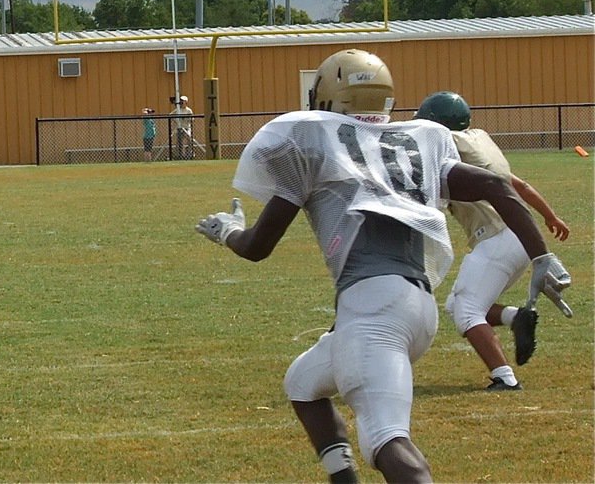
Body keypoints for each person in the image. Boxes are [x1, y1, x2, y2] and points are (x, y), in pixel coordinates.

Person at [195, 49, 571, 483]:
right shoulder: (416, 142)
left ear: (326, 96)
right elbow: (496, 185)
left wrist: (228, 231)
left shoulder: (314, 148)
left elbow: (258, 247)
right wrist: (541, 254)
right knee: (302, 384)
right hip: (416, 306)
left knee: (388, 441)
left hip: (374, 309)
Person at [414, 91, 571, 390]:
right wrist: (550, 216)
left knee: (466, 310)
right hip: (521, 236)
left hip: (497, 237)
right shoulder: (479, 140)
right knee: (458, 303)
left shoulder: (448, 145)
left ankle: (505, 378)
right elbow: (518, 185)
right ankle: (517, 317)